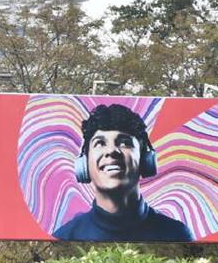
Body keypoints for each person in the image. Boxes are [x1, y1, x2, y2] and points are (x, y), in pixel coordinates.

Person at [52, 103, 193, 242]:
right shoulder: (65, 236)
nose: (112, 151)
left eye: (124, 142)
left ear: (144, 160)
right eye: (100, 143)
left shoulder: (176, 234)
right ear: (84, 164)